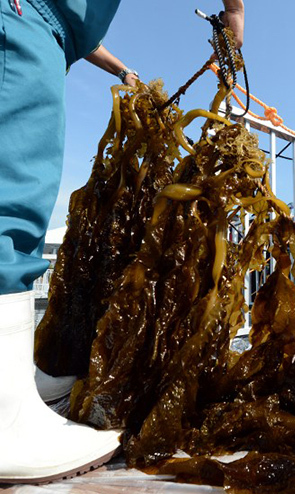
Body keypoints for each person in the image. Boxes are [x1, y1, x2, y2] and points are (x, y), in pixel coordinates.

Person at [0, 0, 245, 483]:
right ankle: (4, 413)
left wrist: (123, 70)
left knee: (25, 182)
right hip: (22, 15)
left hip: (45, 28)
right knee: (13, 191)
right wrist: (234, 12)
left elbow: (73, 23)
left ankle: (13, 375)